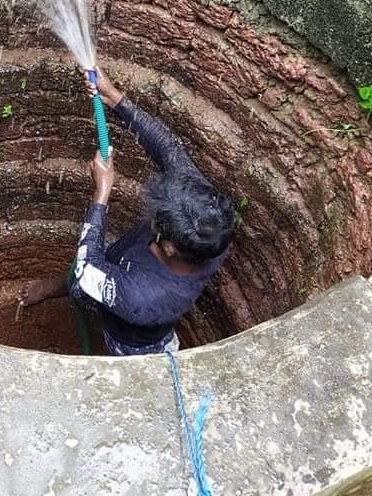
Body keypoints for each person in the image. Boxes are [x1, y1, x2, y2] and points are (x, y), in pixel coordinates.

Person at [19, 68, 235, 355]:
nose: (151, 219)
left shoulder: (145, 298)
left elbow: (87, 272)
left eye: (156, 223)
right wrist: (115, 99)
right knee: (95, 262)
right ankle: (54, 288)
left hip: (131, 343)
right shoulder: (209, 219)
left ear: (169, 247)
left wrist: (102, 192)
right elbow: (167, 149)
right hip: (117, 267)